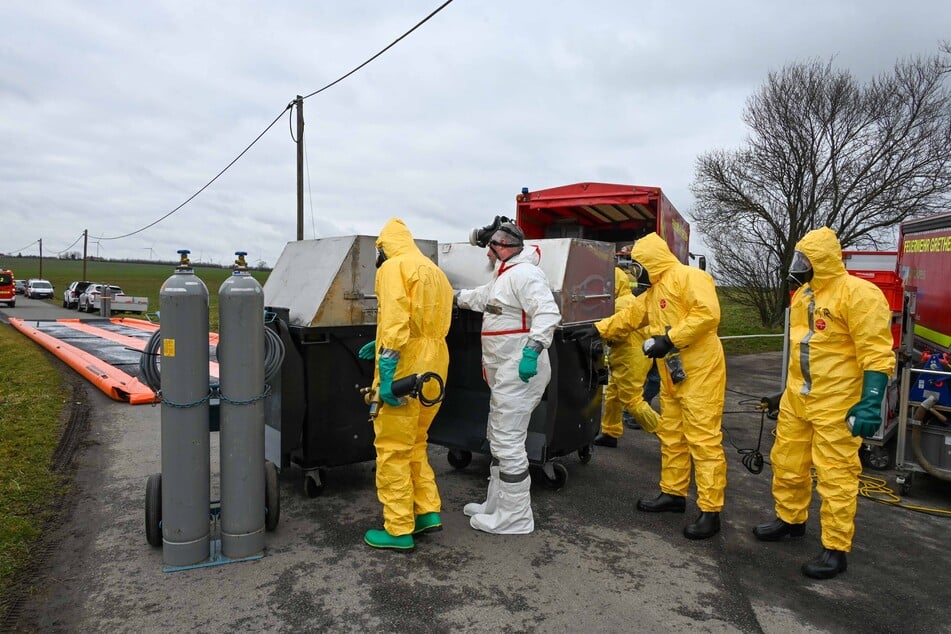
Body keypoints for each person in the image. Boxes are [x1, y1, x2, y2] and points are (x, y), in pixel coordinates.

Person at [753, 227, 895, 579]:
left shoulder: (859, 294)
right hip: (798, 401)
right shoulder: (803, 295)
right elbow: (804, 351)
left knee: (836, 476)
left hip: (836, 404)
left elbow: (877, 354)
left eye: (804, 259)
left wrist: (870, 402)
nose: (798, 265)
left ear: (822, 261)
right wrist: (784, 392)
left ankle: (835, 548)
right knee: (787, 462)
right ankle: (790, 519)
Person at [594, 232, 727, 540]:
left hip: (701, 371)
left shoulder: (690, 277)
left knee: (703, 441)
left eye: (638, 264)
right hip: (672, 372)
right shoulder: (654, 292)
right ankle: (673, 493)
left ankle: (711, 511)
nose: (635, 271)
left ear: (650, 261)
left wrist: (669, 340)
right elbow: (628, 317)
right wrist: (594, 330)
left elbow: (708, 315)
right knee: (673, 436)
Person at [455, 220, 562, 534]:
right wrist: (452, 295)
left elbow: (547, 312)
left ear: (497, 249)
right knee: (499, 438)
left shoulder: (525, 275)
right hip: (506, 371)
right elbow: (481, 299)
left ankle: (515, 517)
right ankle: (496, 505)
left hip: (519, 369)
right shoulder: (506, 276)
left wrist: (533, 350)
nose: (486, 256)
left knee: (508, 442)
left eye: (487, 250)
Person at [358, 218, 454, 550]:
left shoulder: (393, 268)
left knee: (392, 450)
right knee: (416, 441)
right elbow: (424, 319)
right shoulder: (434, 271)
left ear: (384, 247)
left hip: (406, 364)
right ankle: (427, 511)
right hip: (436, 360)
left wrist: (386, 370)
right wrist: (382, 341)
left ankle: (398, 529)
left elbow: (396, 317)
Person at [594, 264, 661, 447]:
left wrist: (596, 331)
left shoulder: (620, 304)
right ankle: (610, 432)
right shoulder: (629, 298)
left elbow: (619, 331)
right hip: (628, 354)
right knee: (614, 396)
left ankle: (669, 436)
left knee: (632, 401)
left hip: (630, 355)